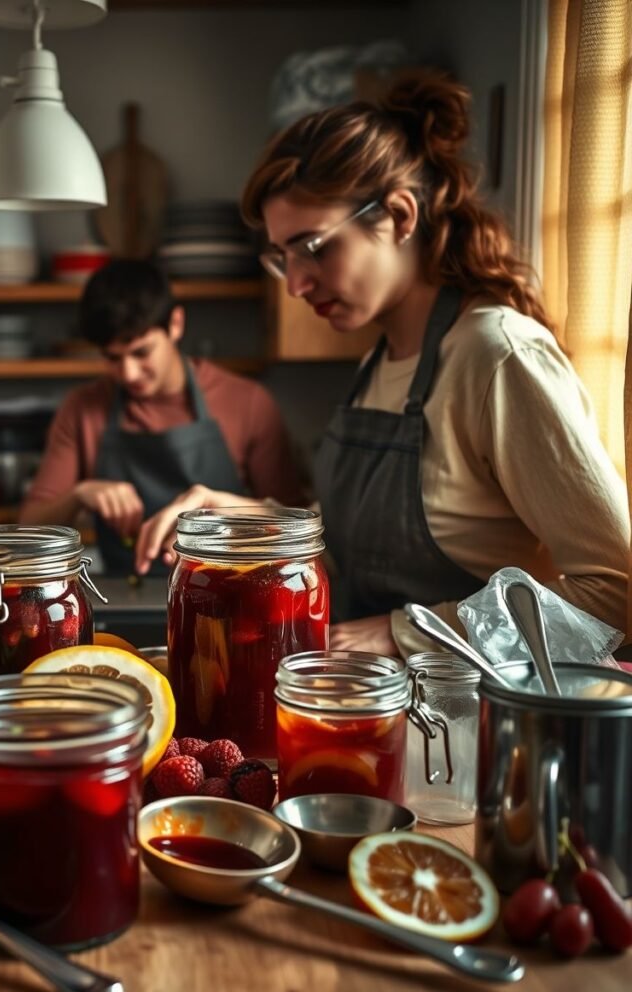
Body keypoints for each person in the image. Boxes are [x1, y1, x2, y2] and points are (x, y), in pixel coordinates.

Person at [134, 72, 629, 652]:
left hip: (464, 722)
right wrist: (254, 518)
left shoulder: (497, 356)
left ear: (398, 216)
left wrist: (404, 634)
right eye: (282, 257)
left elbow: (615, 594)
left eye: (314, 247)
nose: (294, 283)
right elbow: (366, 548)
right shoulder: (382, 359)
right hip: (364, 709)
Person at [19, 259, 306, 575]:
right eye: (112, 358)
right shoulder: (82, 409)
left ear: (176, 324)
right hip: (124, 599)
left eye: (141, 353)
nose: (128, 373)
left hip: (227, 598)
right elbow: (30, 531)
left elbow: (294, 528)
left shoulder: (248, 403)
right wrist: (80, 494)